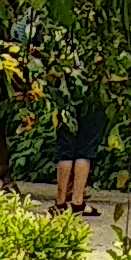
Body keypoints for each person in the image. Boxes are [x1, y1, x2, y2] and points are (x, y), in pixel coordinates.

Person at [48, 88, 109, 216]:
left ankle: (60, 203)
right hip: (93, 94)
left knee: (65, 146)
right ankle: (77, 202)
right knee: (85, 149)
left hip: (65, 92)